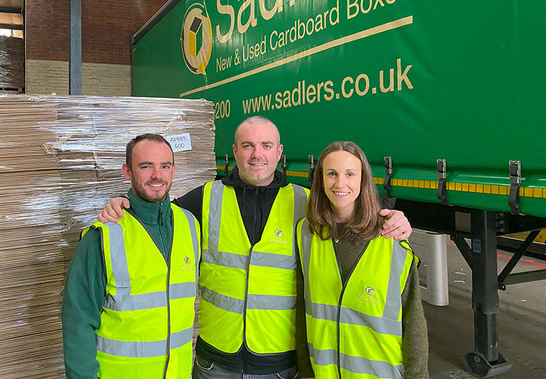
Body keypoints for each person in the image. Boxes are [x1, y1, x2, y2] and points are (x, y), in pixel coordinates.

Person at [97, 117, 413, 378]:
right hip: (216, 362)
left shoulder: (305, 204)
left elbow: (351, 223)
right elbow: (157, 213)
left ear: (279, 152)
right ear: (234, 151)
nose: (256, 154)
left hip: (278, 365)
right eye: (248, 145)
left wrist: (394, 219)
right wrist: (123, 203)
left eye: (265, 146)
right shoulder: (205, 199)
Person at [61, 134, 201, 378]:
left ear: (173, 170)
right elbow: (78, 321)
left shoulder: (190, 225)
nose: (157, 175)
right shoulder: (102, 237)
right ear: (127, 172)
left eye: (164, 166)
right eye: (146, 166)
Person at [295, 141, 428, 378]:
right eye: (332, 174)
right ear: (321, 180)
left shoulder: (391, 237)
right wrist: (305, 371)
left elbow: (414, 323)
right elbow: (303, 311)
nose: (340, 183)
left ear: (363, 180)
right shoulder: (307, 234)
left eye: (350, 174)